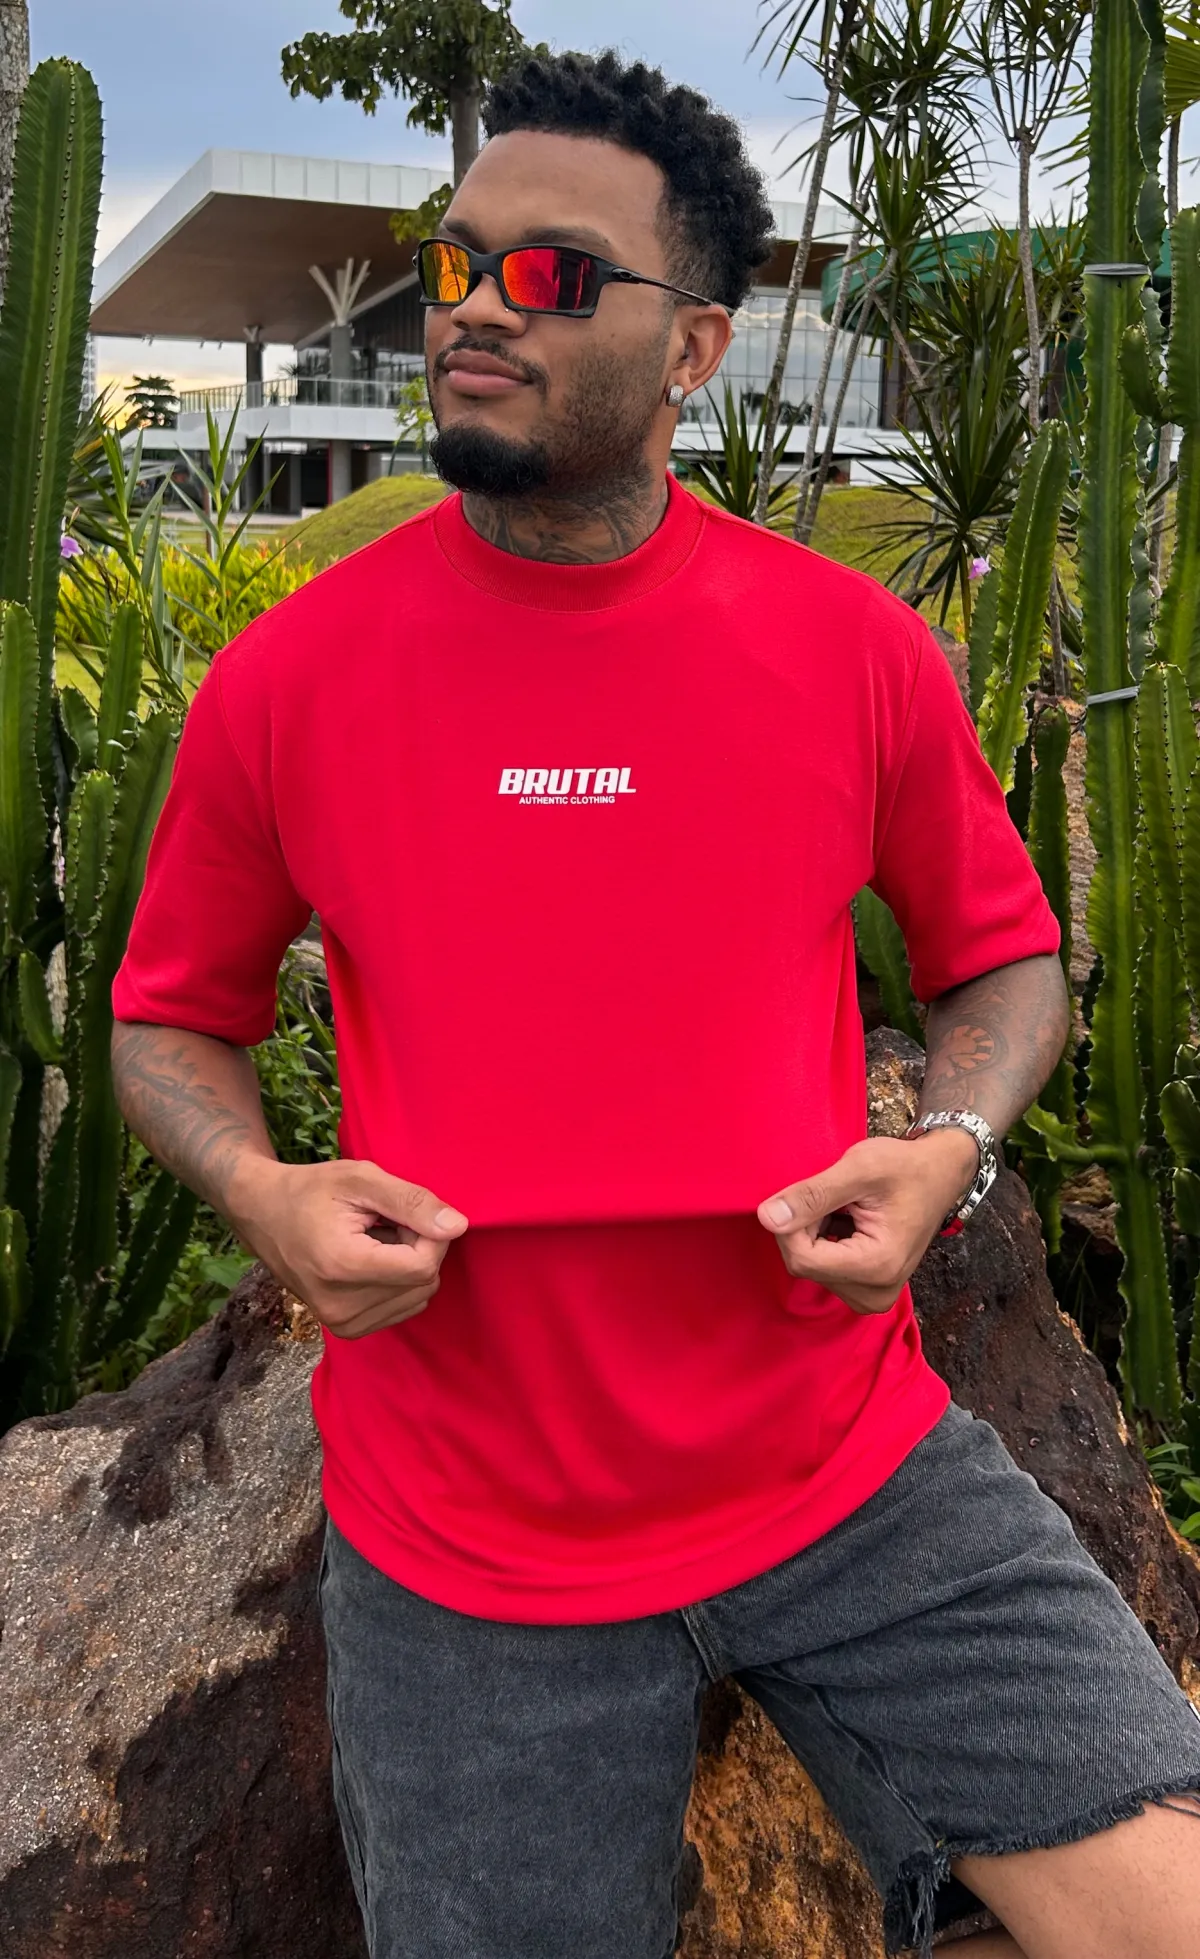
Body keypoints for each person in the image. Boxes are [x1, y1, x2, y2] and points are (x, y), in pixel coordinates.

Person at [111, 48, 1200, 1959]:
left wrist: (950, 1143)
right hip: (465, 1551)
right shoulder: (290, 676)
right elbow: (162, 1019)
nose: (474, 310)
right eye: (455, 264)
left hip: (853, 1472)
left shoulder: (851, 648)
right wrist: (262, 1193)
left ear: (694, 348)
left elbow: (1003, 958)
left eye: (548, 276)